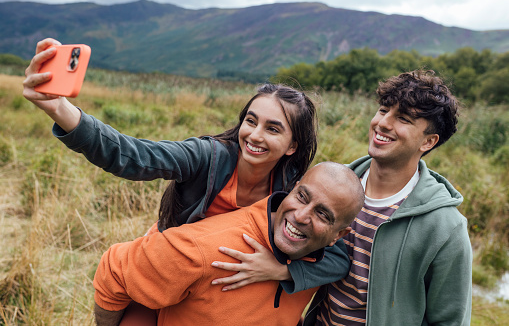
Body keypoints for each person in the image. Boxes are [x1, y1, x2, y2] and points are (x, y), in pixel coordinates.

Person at [23, 39, 351, 316]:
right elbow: (133, 156)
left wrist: (284, 270)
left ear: (292, 146)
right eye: (251, 121)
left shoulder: (296, 191)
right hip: (168, 265)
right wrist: (60, 110)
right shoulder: (206, 156)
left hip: (213, 285)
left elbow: (336, 256)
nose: (254, 135)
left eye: (273, 128)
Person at [93, 162, 365, 326]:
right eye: (302, 197)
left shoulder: (318, 258)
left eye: (322, 214)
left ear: (337, 236)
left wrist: (286, 273)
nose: (302, 216)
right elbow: (113, 270)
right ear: (291, 189)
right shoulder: (203, 248)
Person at [303, 70, 472, 325]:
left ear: (428, 141)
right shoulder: (334, 188)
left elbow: (450, 319)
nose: (383, 123)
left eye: (403, 118)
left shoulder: (445, 227)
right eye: (383, 110)